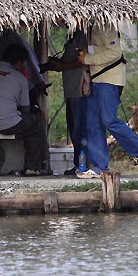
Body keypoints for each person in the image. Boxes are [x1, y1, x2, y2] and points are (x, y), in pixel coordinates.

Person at [77, 24, 138, 178]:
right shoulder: (89, 27)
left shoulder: (105, 26)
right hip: (96, 81)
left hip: (110, 81)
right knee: (93, 123)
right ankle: (99, 167)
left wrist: (87, 59)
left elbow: (115, 54)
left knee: (109, 119)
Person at [0, 42, 52, 176]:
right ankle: (32, 167)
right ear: (19, 62)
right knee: (35, 123)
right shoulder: (20, 77)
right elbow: (26, 108)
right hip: (6, 124)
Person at [44, 29, 89, 175]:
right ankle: (78, 163)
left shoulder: (83, 36)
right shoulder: (72, 37)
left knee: (79, 130)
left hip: (79, 90)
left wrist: (63, 66)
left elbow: (83, 61)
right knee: (73, 129)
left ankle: (83, 164)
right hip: (70, 91)